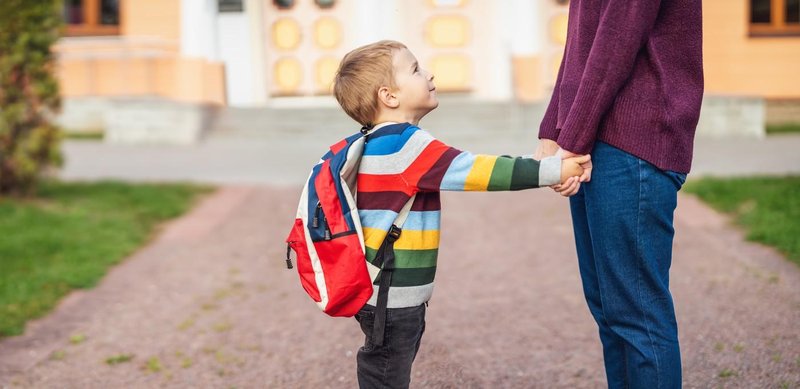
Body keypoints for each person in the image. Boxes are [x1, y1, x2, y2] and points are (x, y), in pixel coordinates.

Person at [332, 40, 588, 388]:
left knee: (385, 366)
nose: (429, 73)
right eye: (415, 69)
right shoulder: (406, 145)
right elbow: (480, 171)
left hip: (383, 289)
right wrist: (553, 171)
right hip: (393, 294)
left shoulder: (376, 140)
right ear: (389, 96)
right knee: (386, 373)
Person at [534, 1, 704, 387]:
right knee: (611, 313)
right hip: (600, 137)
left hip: (634, 141)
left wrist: (572, 138)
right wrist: (553, 129)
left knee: (636, 314)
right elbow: (582, 46)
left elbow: (616, 44)